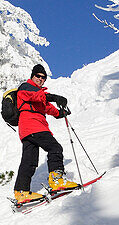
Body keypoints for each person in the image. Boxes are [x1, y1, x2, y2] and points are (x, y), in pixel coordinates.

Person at [13, 64, 79, 204]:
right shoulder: (25, 87)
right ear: (33, 76)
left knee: (29, 161)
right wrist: (54, 97)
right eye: (38, 76)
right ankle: (57, 181)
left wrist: (60, 113)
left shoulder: (39, 95)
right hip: (35, 126)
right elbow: (37, 96)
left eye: (43, 78)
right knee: (55, 148)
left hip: (26, 131)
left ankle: (21, 192)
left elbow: (48, 107)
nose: (40, 79)